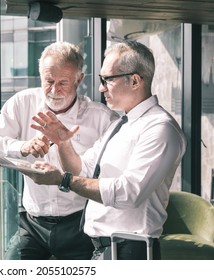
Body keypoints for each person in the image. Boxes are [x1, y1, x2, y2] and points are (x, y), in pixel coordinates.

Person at [26, 40, 187, 260]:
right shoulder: (120, 124)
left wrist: (62, 180)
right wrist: (63, 143)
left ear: (135, 80)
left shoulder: (160, 128)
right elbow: (83, 170)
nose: (101, 88)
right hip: (104, 249)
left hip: (130, 251)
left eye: (107, 80)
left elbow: (129, 193)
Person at [0, 41, 119, 260]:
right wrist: (21, 147)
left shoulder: (102, 118)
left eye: (63, 82)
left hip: (81, 224)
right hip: (32, 224)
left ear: (79, 80)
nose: (54, 90)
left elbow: (112, 178)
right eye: (48, 81)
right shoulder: (23, 102)